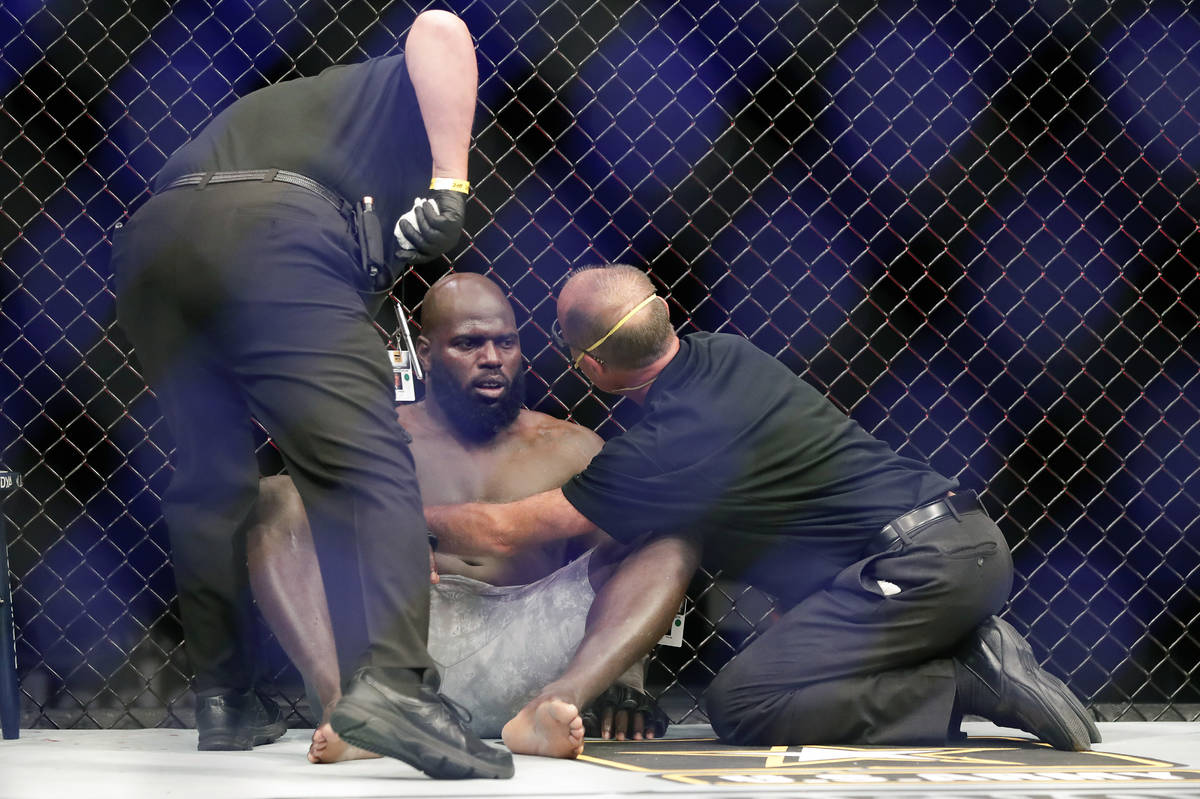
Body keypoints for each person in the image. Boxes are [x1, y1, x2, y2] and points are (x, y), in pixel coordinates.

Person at [424, 262, 1103, 756]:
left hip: (924, 566)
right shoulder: (727, 354)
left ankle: (968, 681)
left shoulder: (661, 447)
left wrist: (391, 509)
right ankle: (966, 650)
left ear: (591, 369)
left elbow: (502, 528)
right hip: (954, 542)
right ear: (666, 314)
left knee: (742, 703)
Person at [109, 11, 514, 779]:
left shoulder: (304, 124)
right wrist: (452, 183)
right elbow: (441, 27)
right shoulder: (408, 102)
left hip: (155, 242)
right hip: (277, 226)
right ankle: (397, 686)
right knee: (368, 465)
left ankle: (224, 702)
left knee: (211, 479)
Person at [244, 273, 675, 763]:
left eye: (505, 343)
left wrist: (625, 680)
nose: (491, 359)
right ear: (425, 353)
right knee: (276, 497)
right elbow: (309, 534)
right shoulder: (373, 439)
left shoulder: (572, 446)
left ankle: (559, 701)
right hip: (394, 651)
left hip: (534, 657)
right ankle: (348, 711)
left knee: (665, 527)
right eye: (469, 343)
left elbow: (624, 561)